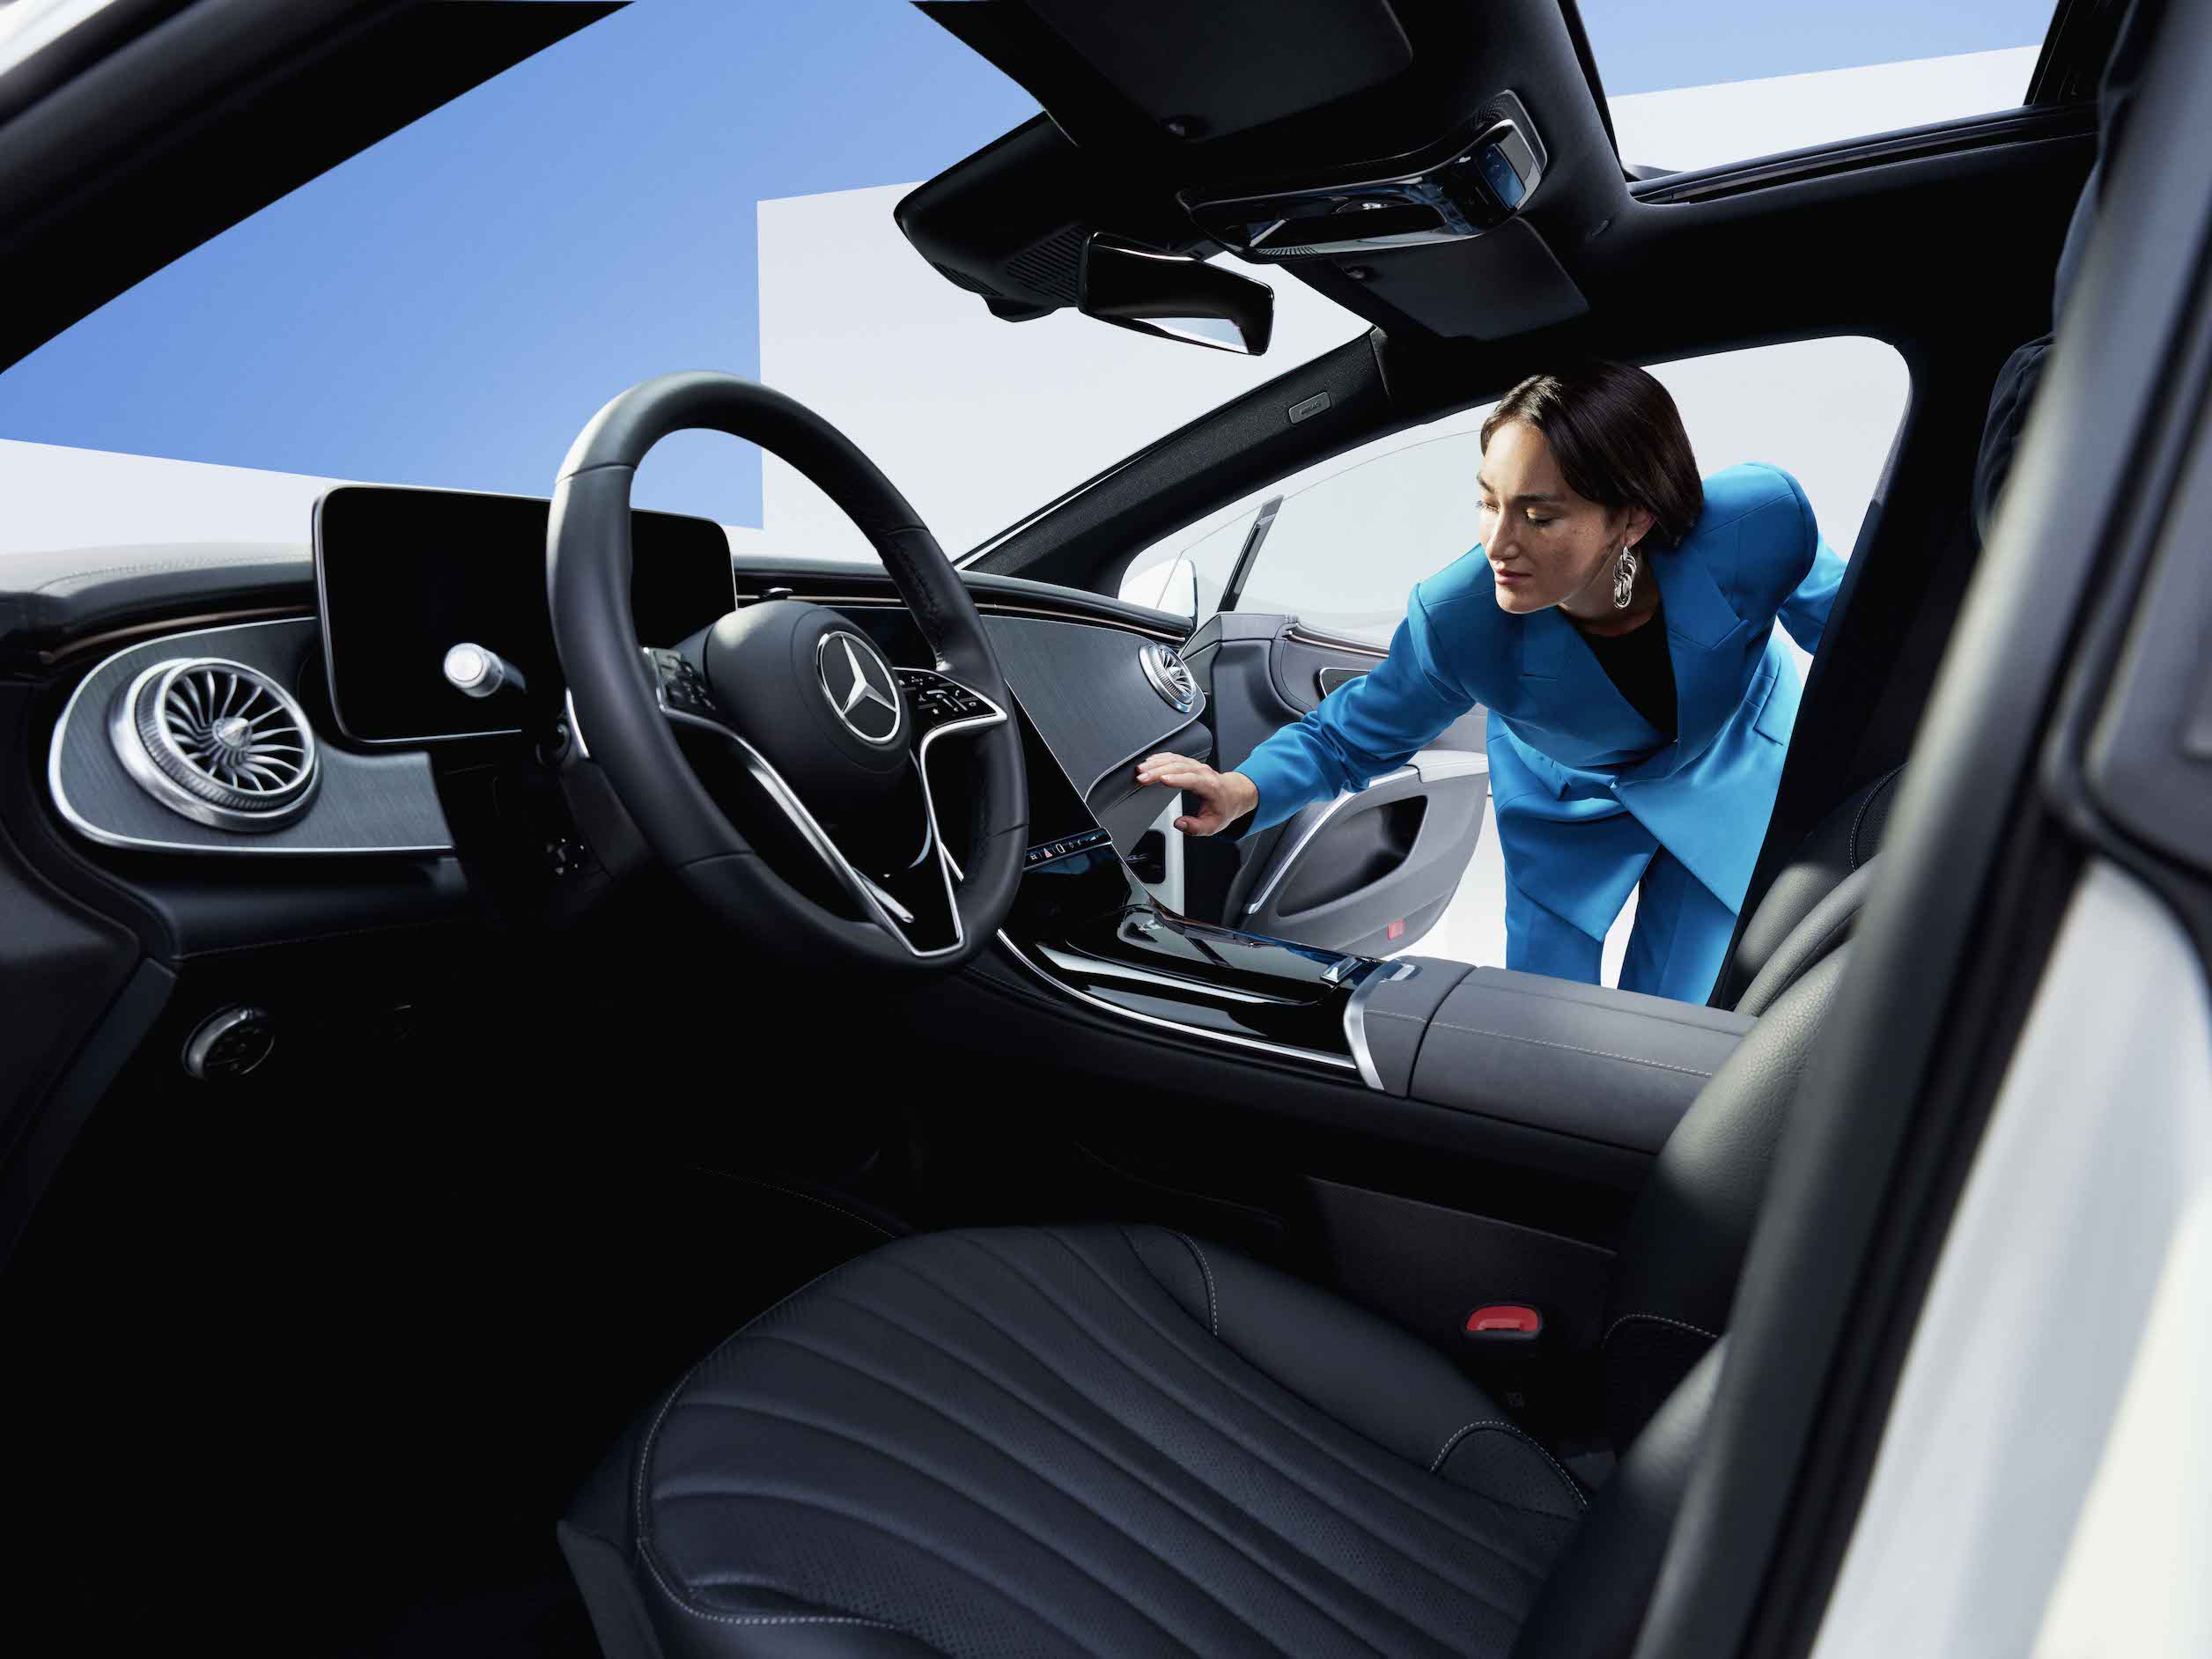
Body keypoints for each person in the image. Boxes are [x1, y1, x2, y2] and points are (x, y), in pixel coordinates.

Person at [1136, 361, 1843, 1004]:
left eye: (1538, 516)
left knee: (1675, 1018)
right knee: (1545, 1025)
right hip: (1562, 795)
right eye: (1488, 502)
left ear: (1632, 519)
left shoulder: (1759, 522)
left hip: (1725, 771)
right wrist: (1245, 789)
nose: (1499, 544)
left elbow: (1859, 641)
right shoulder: (1457, 616)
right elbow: (1350, 734)